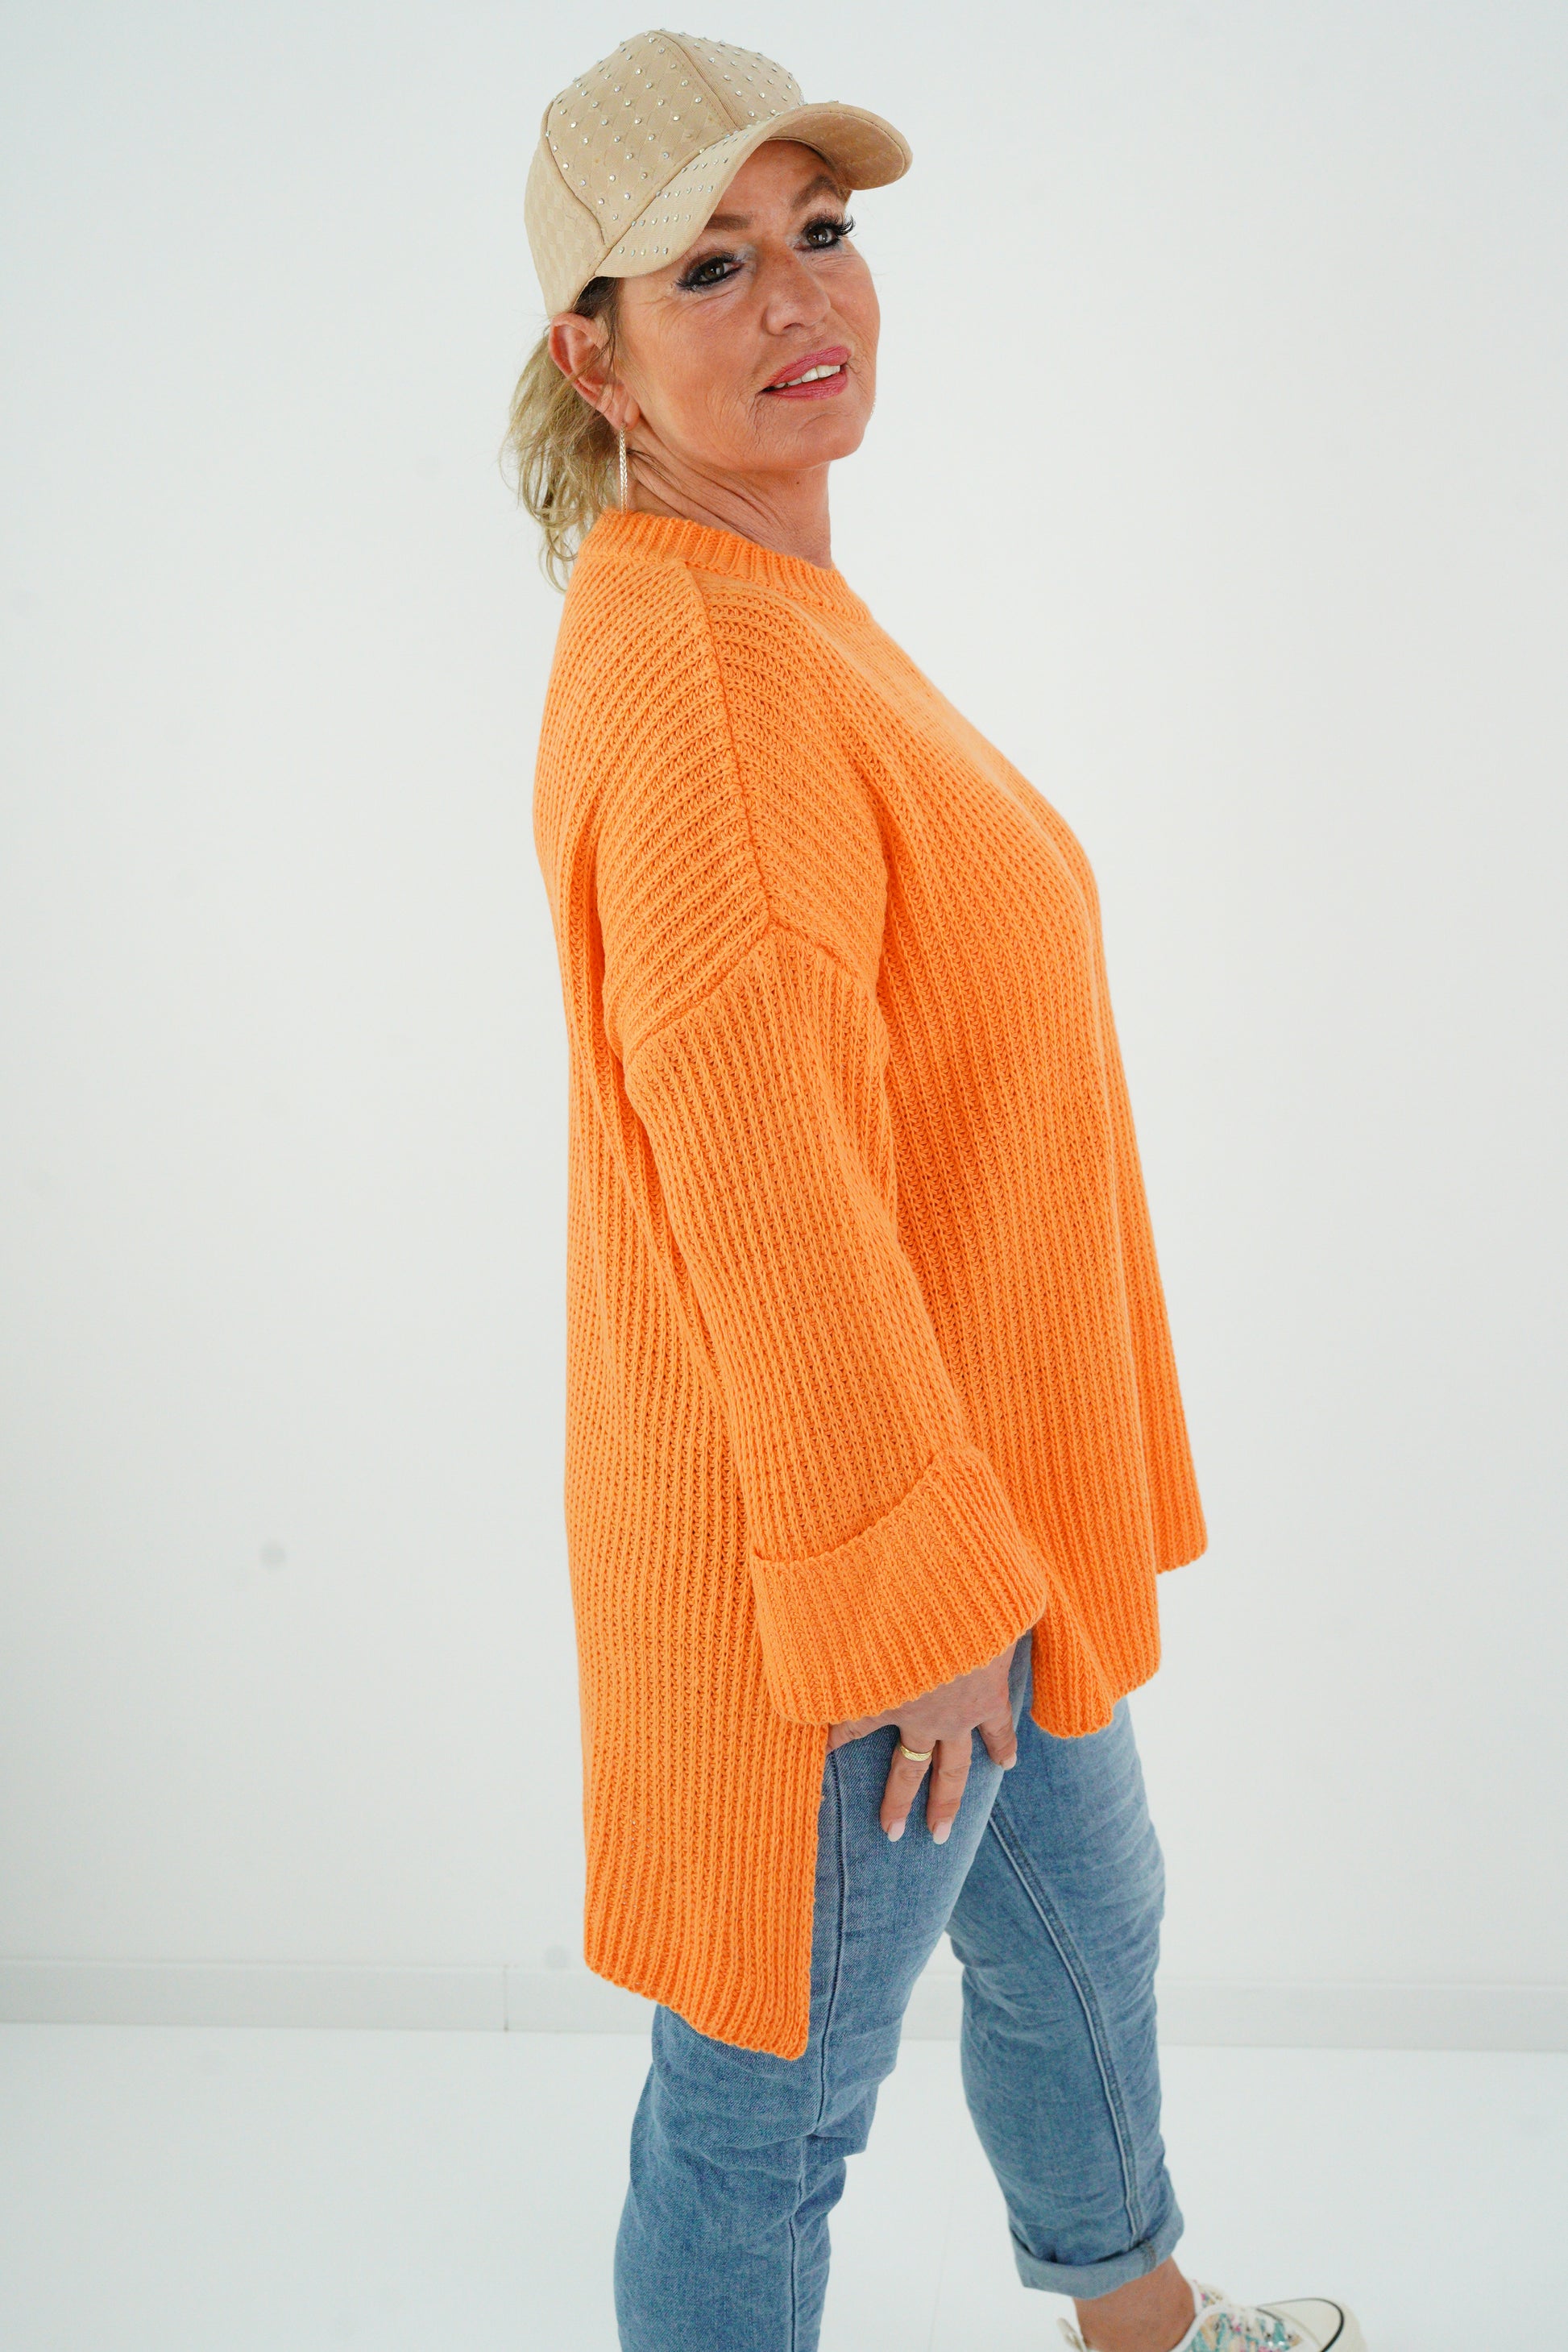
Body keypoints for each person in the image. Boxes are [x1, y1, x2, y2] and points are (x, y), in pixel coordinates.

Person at [507, 30, 1363, 2352]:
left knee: (1086, 1933)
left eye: (820, 230)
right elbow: (762, 1162)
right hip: (858, 1553)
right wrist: (905, 1580)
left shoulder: (768, 609)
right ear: (594, 356)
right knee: (762, 2108)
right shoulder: (704, 678)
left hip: (990, 1489)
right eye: (706, 265)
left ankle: (1142, 2320)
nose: (798, 295)